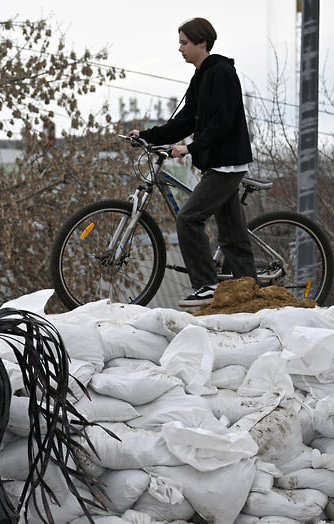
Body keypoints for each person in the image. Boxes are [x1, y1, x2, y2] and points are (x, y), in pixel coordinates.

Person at [130, 17, 255, 308]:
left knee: (188, 219)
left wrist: (189, 149)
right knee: (232, 234)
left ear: (202, 42)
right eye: (180, 43)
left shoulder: (221, 73)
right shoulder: (201, 76)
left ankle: (207, 285)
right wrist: (148, 135)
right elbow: (185, 120)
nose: (180, 48)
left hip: (227, 163)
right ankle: (250, 288)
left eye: (184, 42)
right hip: (218, 163)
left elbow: (222, 122)